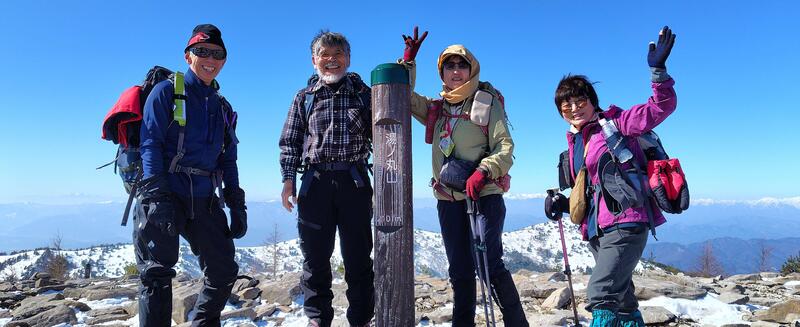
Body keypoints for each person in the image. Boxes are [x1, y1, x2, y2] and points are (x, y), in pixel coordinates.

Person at [544, 26, 677, 327]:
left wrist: (658, 71)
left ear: (592, 100)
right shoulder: (577, 141)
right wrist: (563, 205)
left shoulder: (618, 124)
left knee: (601, 292)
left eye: (580, 101)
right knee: (622, 297)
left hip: (628, 222)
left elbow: (660, 108)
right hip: (597, 229)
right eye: (567, 105)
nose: (574, 108)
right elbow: (596, 189)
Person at [399, 27, 529, 326]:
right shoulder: (437, 108)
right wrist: (408, 61)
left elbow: (504, 145)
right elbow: (401, 96)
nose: (456, 71)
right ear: (442, 72)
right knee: (459, 270)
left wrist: (485, 170)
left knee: (489, 266)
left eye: (462, 64)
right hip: (447, 197)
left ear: (472, 69)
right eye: (449, 65)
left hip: (483, 194)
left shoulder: (486, 101)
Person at [135, 23, 247, 326]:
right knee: (156, 275)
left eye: (217, 53)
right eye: (202, 51)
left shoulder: (222, 107)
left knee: (223, 271)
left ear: (224, 60)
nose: (209, 59)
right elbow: (150, 144)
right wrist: (158, 198)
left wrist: (236, 203)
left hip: (202, 198)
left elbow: (229, 159)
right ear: (188, 56)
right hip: (163, 193)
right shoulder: (166, 92)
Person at [279, 30, 374, 327]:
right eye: (325, 55)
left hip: (354, 182)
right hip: (315, 183)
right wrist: (288, 179)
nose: (331, 61)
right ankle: (318, 319)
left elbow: (383, 137)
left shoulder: (364, 94)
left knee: (358, 258)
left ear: (348, 59)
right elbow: (290, 141)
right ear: (314, 61)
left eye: (338, 55)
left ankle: (360, 319)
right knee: (315, 260)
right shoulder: (304, 98)